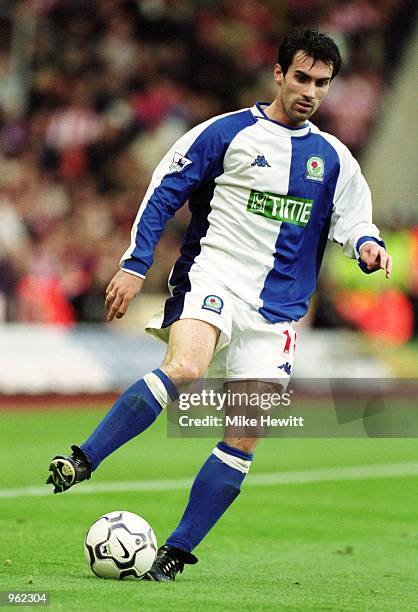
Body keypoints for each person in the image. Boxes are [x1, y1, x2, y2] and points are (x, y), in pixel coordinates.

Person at [46, 29, 392, 581]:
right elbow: (164, 188)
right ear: (278, 74)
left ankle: (174, 555)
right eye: (300, 78)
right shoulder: (227, 133)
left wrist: (367, 246)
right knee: (185, 366)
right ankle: (84, 457)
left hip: (277, 311)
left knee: (243, 434)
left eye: (322, 84)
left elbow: (355, 221)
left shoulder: (335, 160)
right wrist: (135, 265)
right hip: (215, 278)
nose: (309, 92)